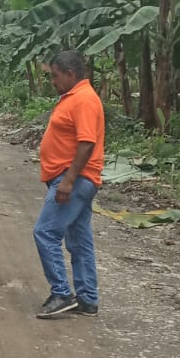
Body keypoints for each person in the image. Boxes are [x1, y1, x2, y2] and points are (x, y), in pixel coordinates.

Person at [33, 50, 104, 319]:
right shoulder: (75, 97)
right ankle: (87, 299)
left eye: (55, 76)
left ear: (70, 73)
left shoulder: (84, 99)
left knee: (45, 233)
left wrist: (68, 180)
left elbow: (87, 143)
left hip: (74, 179)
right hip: (75, 178)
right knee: (79, 239)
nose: (53, 81)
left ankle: (61, 293)